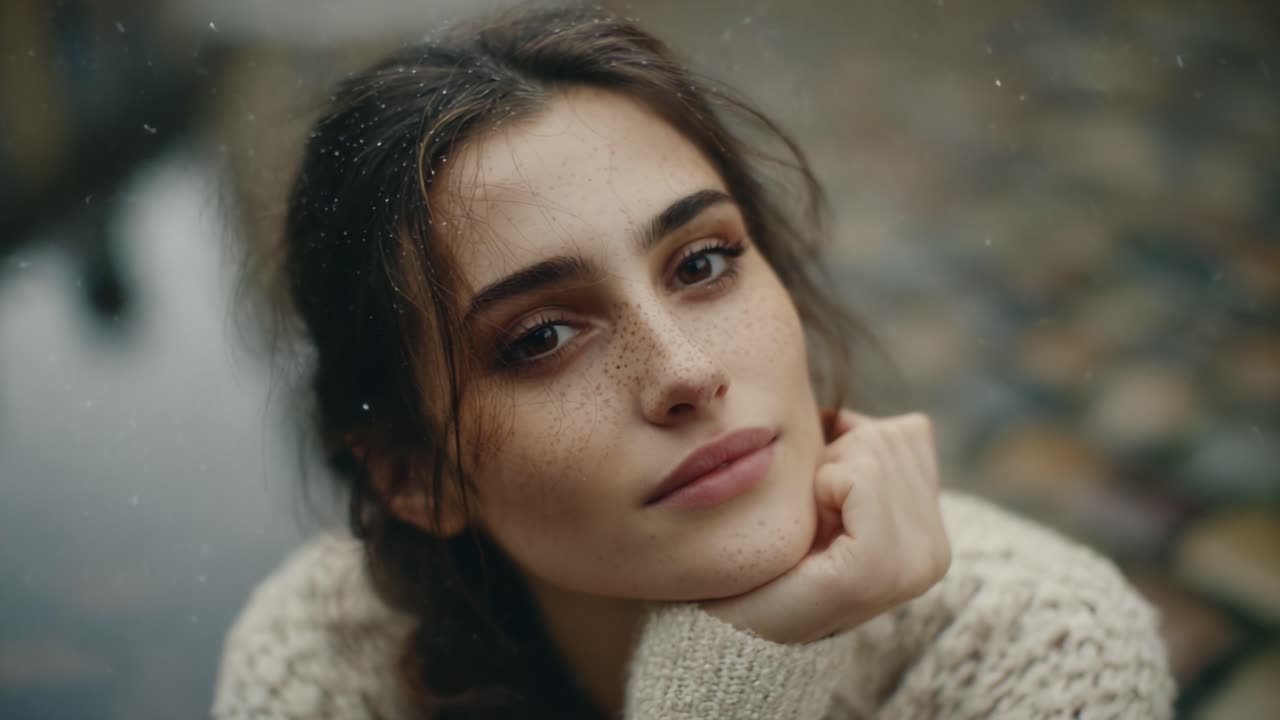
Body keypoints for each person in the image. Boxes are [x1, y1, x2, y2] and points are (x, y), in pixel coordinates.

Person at [213, 6, 1175, 719]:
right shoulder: (330, 671)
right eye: (540, 337)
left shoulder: (1038, 654)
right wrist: (738, 674)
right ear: (415, 475)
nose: (685, 372)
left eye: (703, 263)